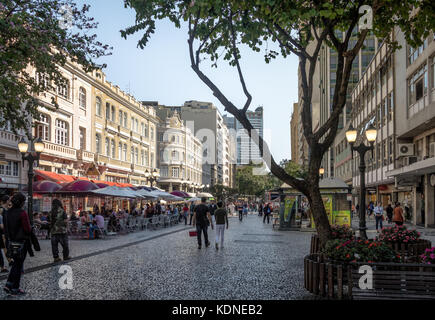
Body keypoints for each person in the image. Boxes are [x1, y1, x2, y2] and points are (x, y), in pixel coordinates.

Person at [3, 193, 31, 295]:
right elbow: (27, 229)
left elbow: (6, 229)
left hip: (10, 242)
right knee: (18, 265)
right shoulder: (22, 213)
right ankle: (15, 287)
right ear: (22, 202)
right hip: (20, 242)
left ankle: (9, 284)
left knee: (15, 264)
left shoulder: (7, 213)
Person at [0, 195, 9, 273]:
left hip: (5, 232)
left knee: (5, 247)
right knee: (5, 247)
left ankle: (8, 262)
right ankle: (9, 261)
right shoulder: (1, 209)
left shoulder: (6, 209)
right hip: (2, 232)